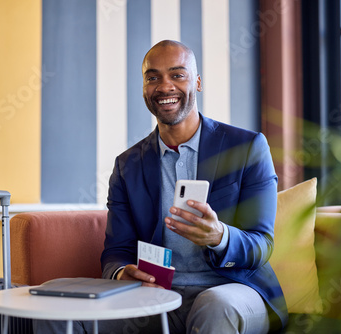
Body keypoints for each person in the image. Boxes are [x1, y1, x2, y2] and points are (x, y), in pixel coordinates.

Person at [35, 40, 288, 334]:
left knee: (214, 305)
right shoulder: (127, 165)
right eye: (153, 77)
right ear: (144, 88)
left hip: (234, 289)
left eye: (177, 75)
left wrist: (220, 236)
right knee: (54, 304)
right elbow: (117, 249)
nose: (164, 86)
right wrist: (121, 272)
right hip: (158, 296)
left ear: (198, 82)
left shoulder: (247, 147)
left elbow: (262, 244)